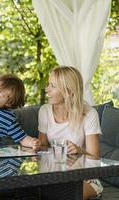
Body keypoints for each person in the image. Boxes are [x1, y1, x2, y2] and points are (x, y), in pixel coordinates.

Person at [38, 66, 103, 200]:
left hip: (85, 178)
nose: (47, 89)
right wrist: (36, 146)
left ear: (70, 92)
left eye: (53, 86)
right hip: (54, 176)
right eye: (48, 84)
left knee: (64, 195)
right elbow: (42, 152)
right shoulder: (44, 111)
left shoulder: (90, 114)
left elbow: (95, 159)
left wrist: (79, 150)